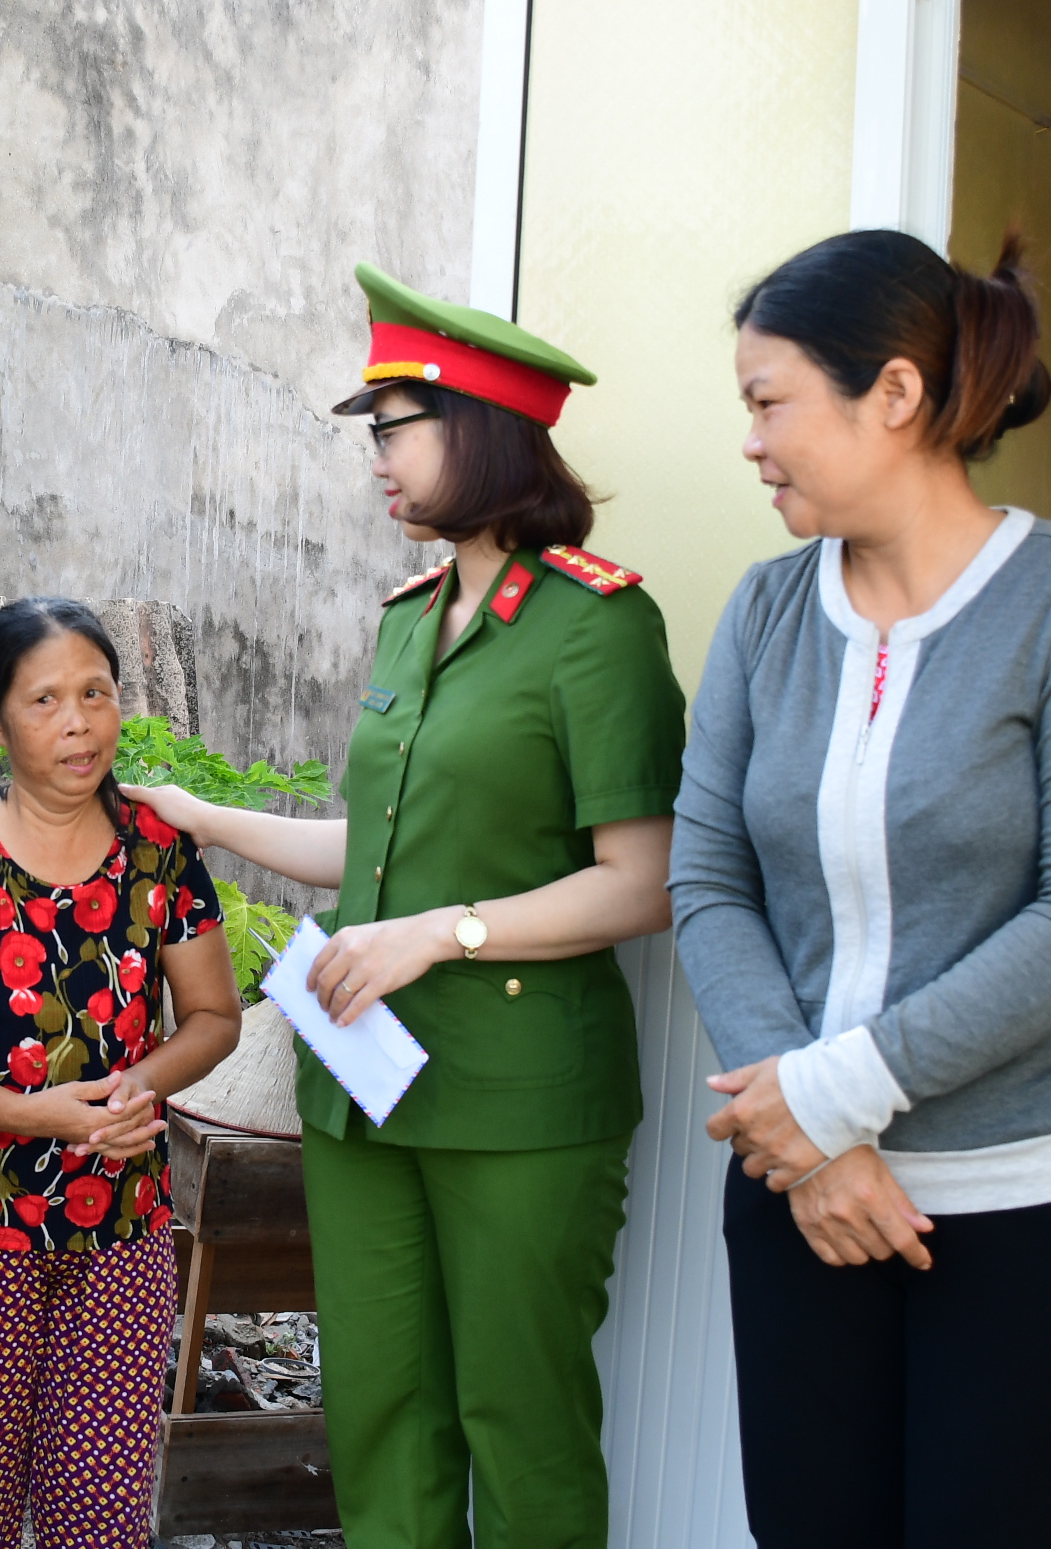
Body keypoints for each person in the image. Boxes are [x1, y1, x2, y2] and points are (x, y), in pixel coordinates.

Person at [128, 264, 686, 1549]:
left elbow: (643, 879)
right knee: (382, 1416)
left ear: (478, 429)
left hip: (518, 1097)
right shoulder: (408, 618)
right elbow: (380, 853)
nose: (376, 459)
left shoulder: (596, 625)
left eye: (392, 428)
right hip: (368, 1092)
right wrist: (206, 817)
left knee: (521, 1421)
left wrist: (442, 933)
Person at [671, 230, 1051, 1548]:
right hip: (798, 1189)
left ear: (894, 394)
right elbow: (710, 874)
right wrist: (808, 1133)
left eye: (769, 402)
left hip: (1023, 1196)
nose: (752, 442)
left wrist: (838, 1094)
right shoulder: (767, 612)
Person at [0, 599, 244, 1549]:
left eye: (95, 694)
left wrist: (136, 1087)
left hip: (123, 1225)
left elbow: (213, 1017)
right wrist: (35, 1115)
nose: (78, 723)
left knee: (101, 1516)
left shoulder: (160, 851)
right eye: (45, 701)